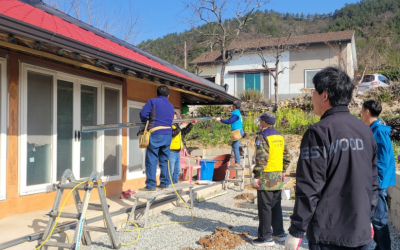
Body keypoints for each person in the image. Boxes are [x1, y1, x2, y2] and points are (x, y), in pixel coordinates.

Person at [285, 67, 379, 250]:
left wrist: (296, 230)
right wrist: (368, 218)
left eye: (314, 92)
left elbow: (309, 187)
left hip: (328, 236)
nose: (312, 97)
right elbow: (373, 182)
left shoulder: (318, 132)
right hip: (361, 233)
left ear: (325, 95)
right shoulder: (365, 132)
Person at [251, 111, 291, 247]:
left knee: (264, 207)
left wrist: (256, 176)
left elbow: (261, 158)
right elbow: (287, 157)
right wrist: (283, 171)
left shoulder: (262, 137)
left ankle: (265, 237)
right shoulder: (280, 136)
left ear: (264, 122)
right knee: (276, 206)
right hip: (278, 176)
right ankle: (279, 233)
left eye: (260, 120)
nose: (259, 122)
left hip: (266, 176)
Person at [361, 100, 396, 250]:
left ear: (367, 112)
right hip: (375, 180)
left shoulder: (378, 131)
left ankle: (384, 248)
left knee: (379, 219)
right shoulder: (374, 129)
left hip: (378, 182)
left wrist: (378, 181)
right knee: (375, 217)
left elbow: (382, 159)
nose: (360, 114)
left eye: (362, 110)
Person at [139, 86, 174, 191]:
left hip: (156, 133)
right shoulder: (171, 106)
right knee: (164, 159)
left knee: (152, 159)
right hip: (168, 134)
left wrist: (146, 120)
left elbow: (143, 114)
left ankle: (150, 185)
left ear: (157, 94)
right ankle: (165, 182)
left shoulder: (153, 101)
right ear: (168, 95)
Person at [169, 112, 197, 183]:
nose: (174, 118)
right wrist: (180, 126)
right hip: (171, 151)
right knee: (170, 171)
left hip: (177, 152)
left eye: (175, 116)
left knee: (177, 171)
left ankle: (175, 186)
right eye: (173, 116)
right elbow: (173, 134)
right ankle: (168, 186)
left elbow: (184, 132)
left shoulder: (176, 125)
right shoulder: (168, 125)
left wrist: (191, 124)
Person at [215, 101, 244, 167]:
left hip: (237, 132)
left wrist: (222, 120)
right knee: (237, 143)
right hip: (239, 131)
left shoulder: (236, 114)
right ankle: (241, 151)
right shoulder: (237, 113)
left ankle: (238, 162)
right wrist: (222, 120)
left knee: (235, 146)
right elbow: (230, 120)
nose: (232, 106)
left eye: (232, 105)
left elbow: (230, 121)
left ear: (234, 106)